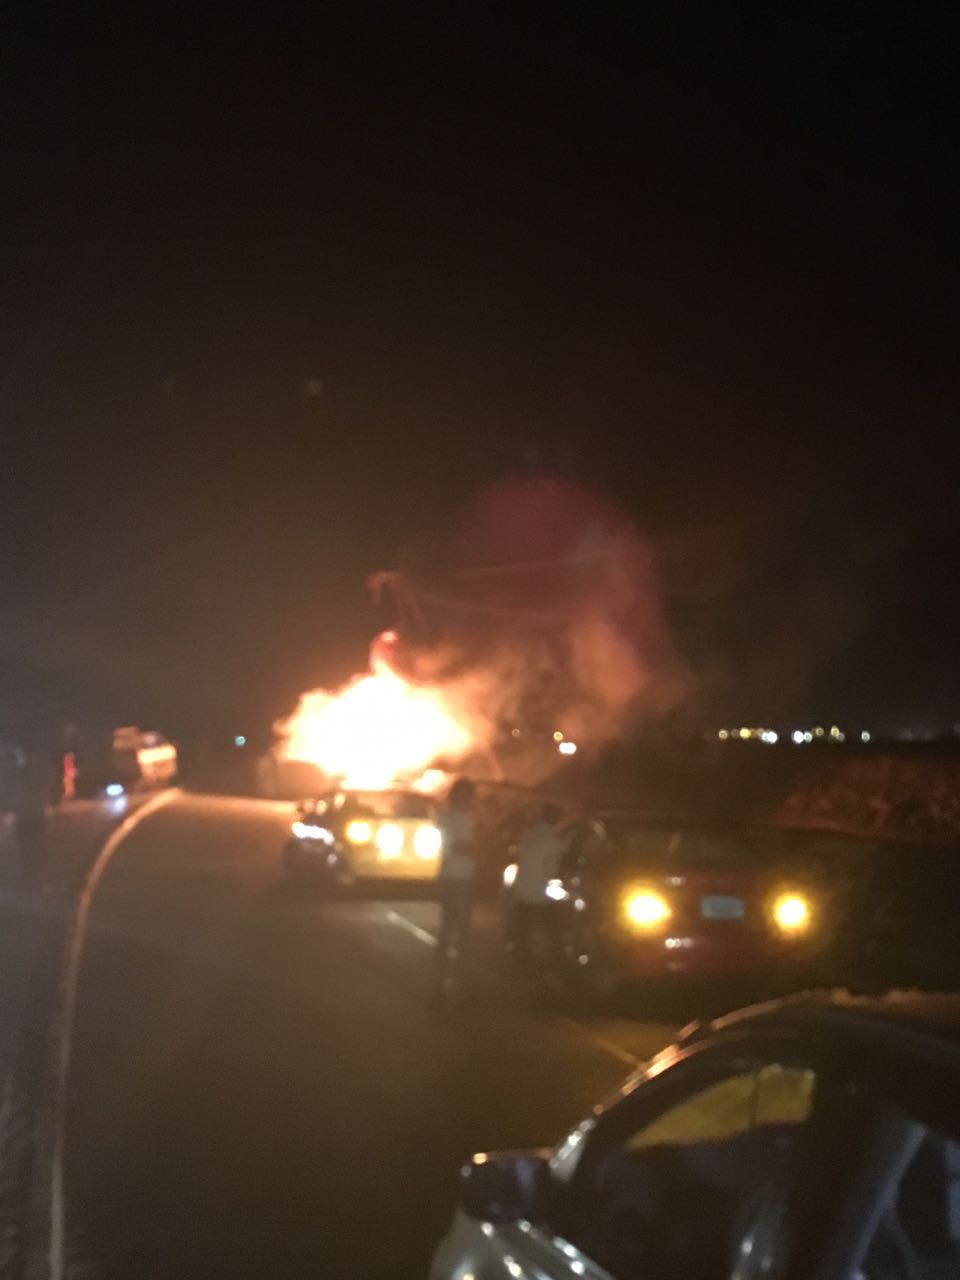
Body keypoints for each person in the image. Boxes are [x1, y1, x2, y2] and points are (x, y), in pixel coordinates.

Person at [510, 803, 577, 976]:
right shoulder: (552, 841)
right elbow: (553, 868)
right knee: (553, 928)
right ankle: (559, 961)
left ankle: (521, 959)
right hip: (541, 893)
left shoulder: (527, 834)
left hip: (522, 890)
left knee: (523, 930)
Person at [434, 777, 477, 1001]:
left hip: (456, 877)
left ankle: (443, 976)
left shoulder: (456, 817)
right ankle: (456, 980)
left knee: (450, 928)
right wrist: (478, 848)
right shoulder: (452, 818)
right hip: (457, 878)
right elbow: (456, 846)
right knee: (459, 930)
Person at [12, 745, 51, 892]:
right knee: (33, 848)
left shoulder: (23, 772)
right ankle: (33, 879)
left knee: (30, 848)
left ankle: (32, 878)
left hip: (28, 815)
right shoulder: (33, 771)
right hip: (32, 815)